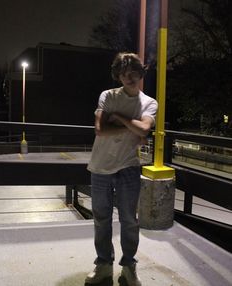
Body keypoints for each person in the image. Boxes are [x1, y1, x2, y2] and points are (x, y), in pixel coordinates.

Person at [86, 52, 158, 286]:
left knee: (129, 220)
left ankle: (129, 267)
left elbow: (145, 128)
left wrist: (117, 117)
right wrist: (132, 127)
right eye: (124, 73)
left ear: (141, 73)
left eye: (134, 72)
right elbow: (100, 129)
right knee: (101, 219)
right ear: (118, 75)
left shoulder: (149, 102)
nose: (129, 77)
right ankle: (103, 265)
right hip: (100, 168)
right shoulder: (107, 95)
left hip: (128, 168)